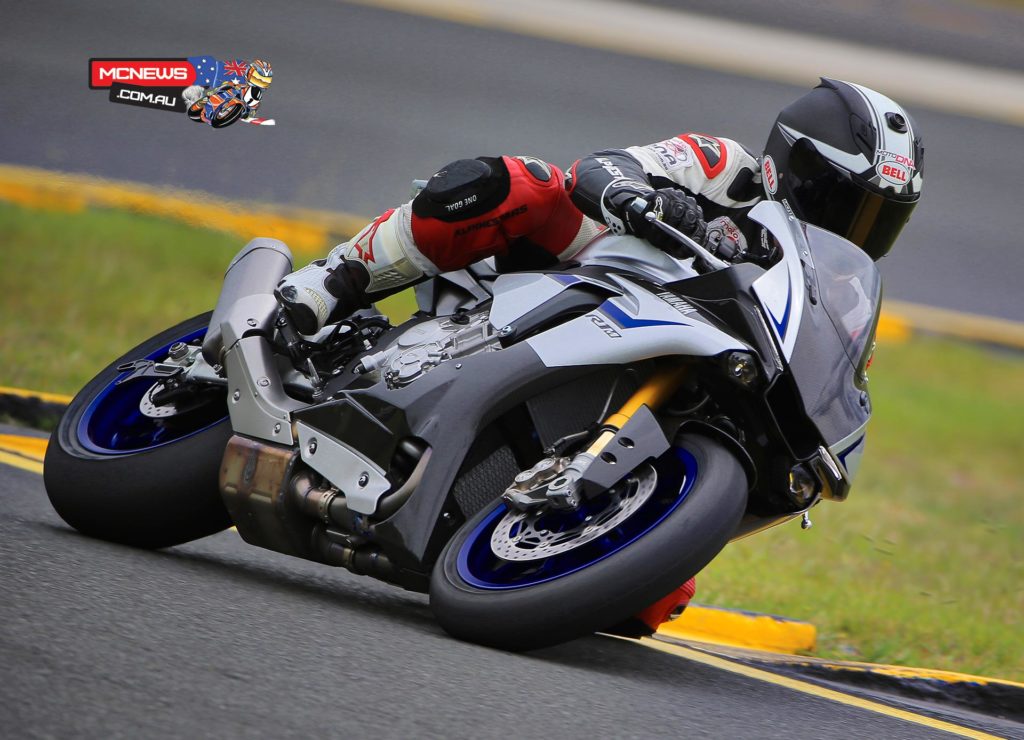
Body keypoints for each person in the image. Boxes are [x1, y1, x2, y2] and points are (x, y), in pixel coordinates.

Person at [274, 77, 924, 635]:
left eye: (878, 220)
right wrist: (639, 197)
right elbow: (604, 166)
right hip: (580, 281)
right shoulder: (727, 168)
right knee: (528, 184)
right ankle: (325, 286)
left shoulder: (839, 289)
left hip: (678, 368)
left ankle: (527, 512)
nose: (854, 229)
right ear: (791, 166)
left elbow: (839, 377)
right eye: (843, 202)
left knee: (649, 606)